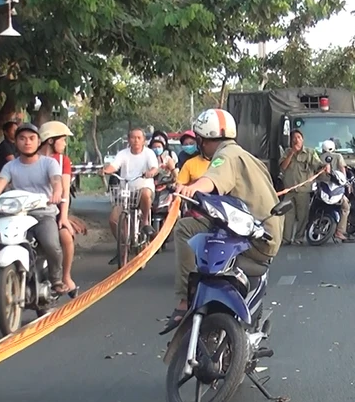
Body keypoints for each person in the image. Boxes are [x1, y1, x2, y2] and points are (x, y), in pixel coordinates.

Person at [164, 109, 284, 331]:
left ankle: (184, 300)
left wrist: (189, 189)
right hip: (268, 236)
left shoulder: (225, 156)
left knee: (184, 228)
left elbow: (212, 180)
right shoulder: (249, 158)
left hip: (251, 239)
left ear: (203, 140)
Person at [0, 123, 66, 294]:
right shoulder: (10, 166)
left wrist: (56, 193)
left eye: (32, 138)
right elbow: (0, 184)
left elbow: (57, 182)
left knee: (51, 244)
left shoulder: (49, 163)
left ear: (39, 141)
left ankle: (56, 279)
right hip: (15, 215)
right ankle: (1, 282)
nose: (27, 142)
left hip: (42, 214)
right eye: (22, 138)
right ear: (16, 142)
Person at [102, 128, 159, 260]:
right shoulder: (123, 154)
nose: (136, 140)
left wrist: (151, 173)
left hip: (144, 188)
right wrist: (106, 171)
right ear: (129, 140)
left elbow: (154, 168)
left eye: (139, 138)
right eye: (133, 137)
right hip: (126, 192)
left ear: (144, 140)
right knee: (113, 219)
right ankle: (123, 243)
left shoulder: (149, 154)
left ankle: (145, 222)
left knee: (145, 193)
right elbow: (114, 166)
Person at [38, 121, 80, 295]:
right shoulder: (29, 157)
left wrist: (64, 217)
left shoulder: (63, 161)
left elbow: (63, 191)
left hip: (53, 211)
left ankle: (65, 277)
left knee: (66, 237)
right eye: (62, 140)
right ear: (50, 140)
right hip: (29, 209)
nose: (64, 144)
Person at [279, 128, 325, 245]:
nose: (296, 140)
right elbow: (283, 167)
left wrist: (326, 167)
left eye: (299, 137)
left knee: (302, 216)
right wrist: (291, 153)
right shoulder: (287, 152)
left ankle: (299, 238)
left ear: (303, 140)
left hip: (303, 190)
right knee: (288, 216)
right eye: (294, 138)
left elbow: (318, 165)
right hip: (289, 190)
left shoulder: (309, 152)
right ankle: (286, 239)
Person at [320, 140, 355, 243]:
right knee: (346, 207)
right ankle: (340, 232)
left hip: (320, 188)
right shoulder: (338, 156)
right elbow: (342, 171)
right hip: (335, 189)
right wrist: (346, 183)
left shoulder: (318, 157)